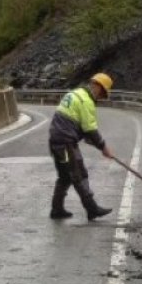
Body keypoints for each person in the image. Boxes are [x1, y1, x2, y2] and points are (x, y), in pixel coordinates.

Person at [48, 73, 115, 221]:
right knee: (78, 174)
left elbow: (80, 126)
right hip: (65, 142)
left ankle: (56, 209)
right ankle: (92, 209)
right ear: (97, 85)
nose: (101, 96)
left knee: (65, 177)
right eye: (102, 92)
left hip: (56, 139)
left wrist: (91, 141)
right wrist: (104, 148)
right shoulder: (86, 101)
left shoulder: (75, 93)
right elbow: (90, 129)